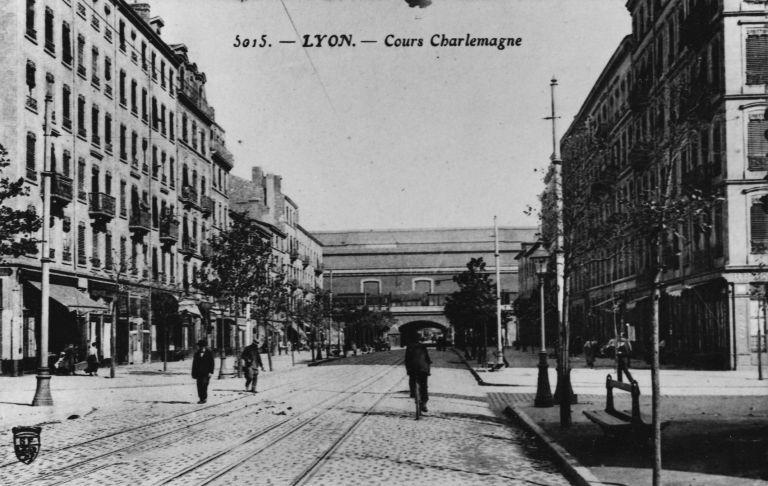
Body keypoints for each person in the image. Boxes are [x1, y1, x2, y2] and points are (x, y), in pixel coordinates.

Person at [405, 338, 432, 413]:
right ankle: (424, 404)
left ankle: (413, 393)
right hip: (423, 369)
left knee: (412, 380)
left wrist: (408, 370)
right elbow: (427, 358)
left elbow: (407, 360)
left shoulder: (409, 347)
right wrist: (428, 369)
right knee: (424, 386)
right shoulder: (423, 346)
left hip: (413, 369)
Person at [191, 339, 215, 404]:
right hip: (198, 373)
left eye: (202, 346)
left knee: (204, 385)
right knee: (199, 385)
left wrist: (211, 372)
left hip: (206, 373)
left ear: (205, 346)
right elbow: (194, 364)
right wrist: (193, 373)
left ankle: (204, 398)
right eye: (200, 346)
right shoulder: (197, 353)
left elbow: (212, 363)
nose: (201, 348)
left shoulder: (209, 353)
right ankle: (201, 398)